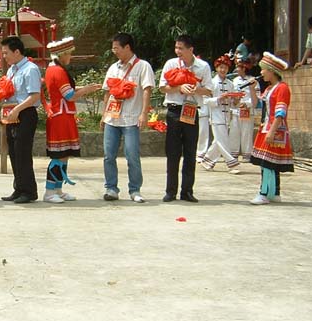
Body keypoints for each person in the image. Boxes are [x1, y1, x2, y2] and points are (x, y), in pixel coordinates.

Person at [43, 37, 102, 203]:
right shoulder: (58, 71)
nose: (70, 57)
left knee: (64, 154)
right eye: (69, 53)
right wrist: (87, 89)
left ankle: (57, 189)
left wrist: (86, 88)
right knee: (59, 155)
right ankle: (49, 191)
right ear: (62, 55)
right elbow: (69, 95)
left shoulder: (53, 69)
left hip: (62, 115)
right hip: (60, 116)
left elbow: (67, 91)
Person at [101, 33, 155, 203]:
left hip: (131, 119)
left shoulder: (143, 66)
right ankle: (111, 188)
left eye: (116, 48)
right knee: (108, 155)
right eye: (113, 48)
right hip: (112, 119)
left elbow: (147, 90)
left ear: (127, 47)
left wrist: (144, 113)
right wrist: (104, 114)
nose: (114, 51)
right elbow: (107, 92)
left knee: (132, 155)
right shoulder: (113, 68)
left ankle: (135, 190)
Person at [159, 35, 213, 203]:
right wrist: (179, 88)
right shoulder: (171, 64)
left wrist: (196, 89)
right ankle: (170, 191)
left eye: (181, 48)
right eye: (176, 48)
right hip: (174, 111)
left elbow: (209, 90)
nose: (178, 51)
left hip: (191, 111)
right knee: (173, 152)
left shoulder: (203, 66)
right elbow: (162, 87)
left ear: (191, 49)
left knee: (190, 152)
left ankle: (187, 191)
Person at [0, 35, 42, 204]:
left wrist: (17, 109)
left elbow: (34, 96)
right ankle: (19, 188)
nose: (4, 56)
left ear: (17, 52)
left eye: (6, 53)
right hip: (12, 114)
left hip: (25, 113)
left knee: (23, 152)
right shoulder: (12, 70)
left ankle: (29, 191)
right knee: (14, 152)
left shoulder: (30, 69)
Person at [250, 52, 293, 204]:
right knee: (269, 162)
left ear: (272, 71)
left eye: (263, 69)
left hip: (275, 129)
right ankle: (274, 192)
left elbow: (280, 112)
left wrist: (272, 131)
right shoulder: (269, 89)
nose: (261, 72)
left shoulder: (282, 88)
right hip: (266, 128)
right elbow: (258, 105)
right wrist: (252, 89)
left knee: (267, 163)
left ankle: (264, 193)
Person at [201, 54, 241, 174]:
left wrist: (236, 100)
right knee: (222, 141)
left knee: (219, 141)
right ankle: (232, 164)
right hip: (216, 116)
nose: (223, 70)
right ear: (217, 68)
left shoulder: (230, 84)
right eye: (221, 67)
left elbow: (233, 103)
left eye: (225, 68)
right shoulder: (211, 83)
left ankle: (207, 161)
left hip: (227, 116)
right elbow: (205, 100)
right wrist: (219, 99)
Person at [229, 59, 259, 162]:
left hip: (247, 110)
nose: (236, 69)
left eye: (238, 67)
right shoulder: (234, 81)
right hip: (236, 110)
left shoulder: (252, 81)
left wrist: (247, 104)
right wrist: (235, 101)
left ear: (244, 68)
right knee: (234, 132)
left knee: (247, 133)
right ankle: (233, 154)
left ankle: (247, 155)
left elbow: (257, 97)